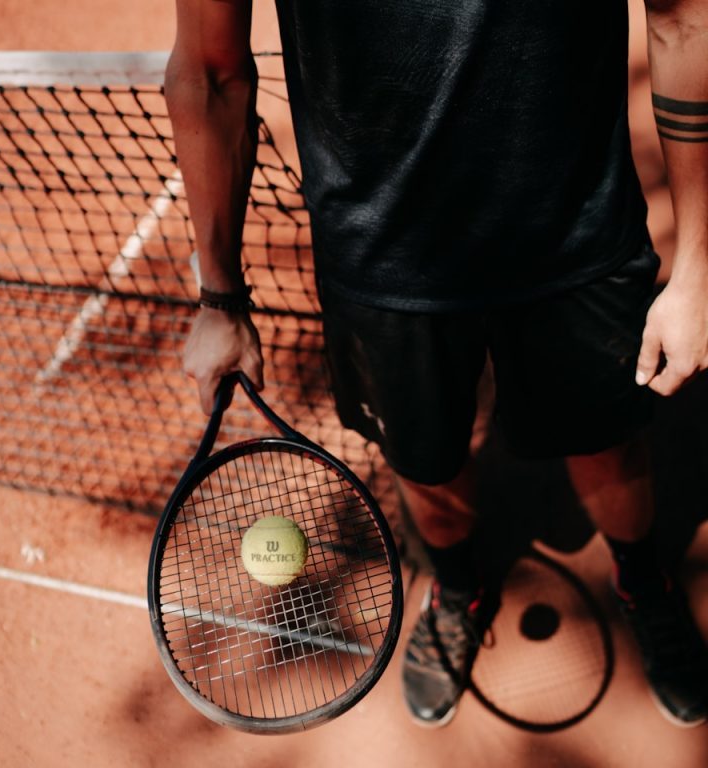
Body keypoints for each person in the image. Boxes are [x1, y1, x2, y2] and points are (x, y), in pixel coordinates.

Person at [166, 0, 708, 727]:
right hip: (379, 253)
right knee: (425, 462)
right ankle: (459, 589)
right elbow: (209, 68)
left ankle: (643, 580)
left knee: (609, 446)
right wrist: (219, 295)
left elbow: (684, 17)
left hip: (575, 225)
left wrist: (701, 264)